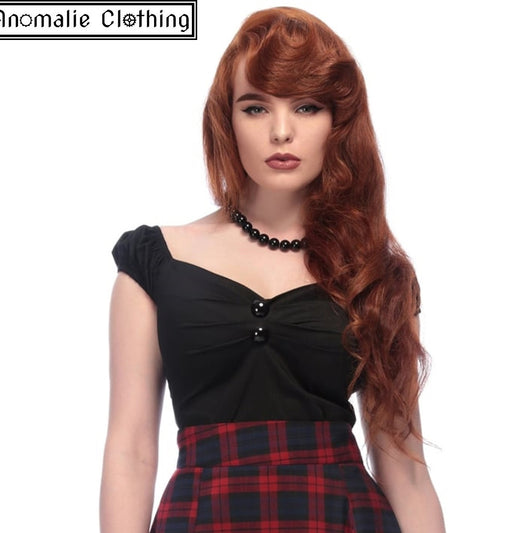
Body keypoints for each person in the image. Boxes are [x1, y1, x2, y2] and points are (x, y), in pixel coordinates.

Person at [100, 6, 445, 533]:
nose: (281, 132)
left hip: (342, 517)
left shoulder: (376, 274)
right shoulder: (154, 262)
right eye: (256, 107)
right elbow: (130, 451)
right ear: (227, 120)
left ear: (337, 122)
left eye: (307, 107)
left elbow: (405, 468)